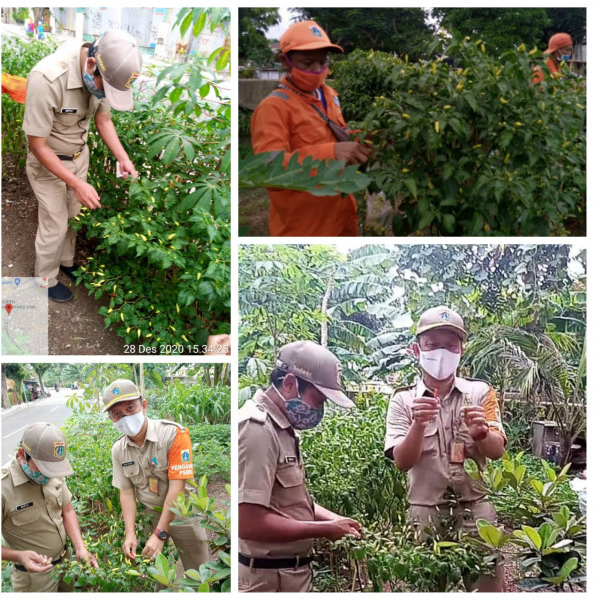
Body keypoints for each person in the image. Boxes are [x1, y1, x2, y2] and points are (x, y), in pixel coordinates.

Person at [384, 306, 507, 592]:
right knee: (426, 587)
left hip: (476, 510)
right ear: (417, 350)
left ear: (461, 350)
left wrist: (481, 434)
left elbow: (497, 450)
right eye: (432, 345)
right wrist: (418, 425)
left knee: (487, 587)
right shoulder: (403, 400)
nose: (442, 352)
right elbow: (402, 462)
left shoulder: (480, 393)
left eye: (451, 345)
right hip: (425, 510)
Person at [23, 29, 142, 302]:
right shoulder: (48, 78)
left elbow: (104, 121)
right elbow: (38, 145)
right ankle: (44, 278)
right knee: (54, 224)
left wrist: (124, 158)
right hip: (48, 162)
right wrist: (77, 183)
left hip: (78, 157)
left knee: (73, 214)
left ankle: (65, 262)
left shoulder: (104, 73)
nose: (103, 94)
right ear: (91, 65)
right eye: (104, 89)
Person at [239, 341, 363, 593]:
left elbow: (285, 502)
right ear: (289, 383)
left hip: (288, 576)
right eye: (318, 399)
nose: (319, 410)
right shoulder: (257, 430)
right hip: (267, 580)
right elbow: (248, 521)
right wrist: (325, 530)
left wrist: (334, 519)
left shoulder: (281, 428)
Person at [250, 20, 371, 237]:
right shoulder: (273, 108)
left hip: (341, 213)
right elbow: (269, 169)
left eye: (322, 62)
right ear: (285, 62)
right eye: (307, 63)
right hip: (304, 226)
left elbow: (337, 134)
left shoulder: (329, 94)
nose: (317, 70)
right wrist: (331, 154)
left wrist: (366, 138)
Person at [103, 379, 208, 577]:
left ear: (143, 405)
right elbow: (126, 493)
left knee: (199, 572)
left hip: (183, 513)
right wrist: (130, 533)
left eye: (130, 408)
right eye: (117, 414)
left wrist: (160, 533)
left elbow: (177, 488)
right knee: (157, 574)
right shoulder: (118, 450)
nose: (125, 417)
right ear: (111, 419)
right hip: (151, 513)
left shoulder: (174, 434)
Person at [1, 422, 98, 592]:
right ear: (23, 454)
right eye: (44, 468)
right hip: (34, 579)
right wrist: (18, 556)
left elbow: (67, 510)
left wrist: (80, 548)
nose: (50, 475)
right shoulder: (2, 488)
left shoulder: (52, 473)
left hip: (65, 564)